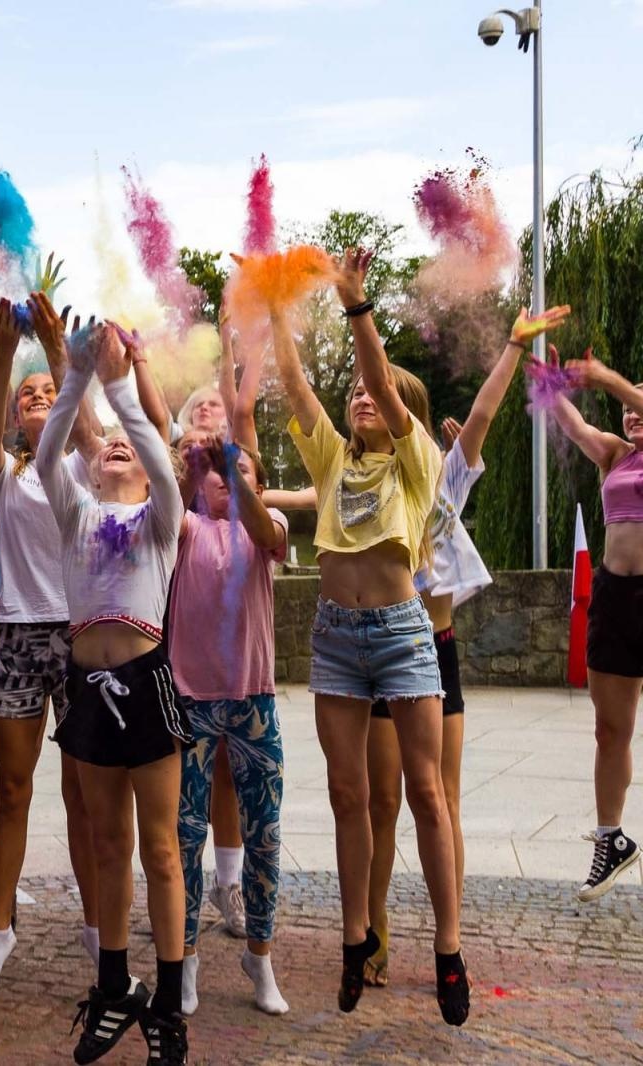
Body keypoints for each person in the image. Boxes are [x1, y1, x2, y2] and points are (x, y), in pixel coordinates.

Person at [271, 247, 467, 1025]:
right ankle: (357, 940)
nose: (360, 397)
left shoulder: (416, 463)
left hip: (402, 635)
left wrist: (356, 309)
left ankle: (448, 951)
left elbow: (383, 379)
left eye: (370, 393)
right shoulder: (331, 462)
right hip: (336, 638)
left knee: (425, 792)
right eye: (350, 393)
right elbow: (293, 384)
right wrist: (275, 307)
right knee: (348, 794)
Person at [364, 306, 568, 982]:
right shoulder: (367, 480)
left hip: (436, 649)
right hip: (379, 650)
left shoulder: (442, 473)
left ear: (412, 414)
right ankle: (374, 926)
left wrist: (510, 346)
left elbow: (480, 416)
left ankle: (447, 941)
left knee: (439, 799)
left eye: (392, 399)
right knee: (381, 803)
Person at [32, 307, 188, 1066]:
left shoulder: (162, 518)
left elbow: (159, 459)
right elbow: (45, 455)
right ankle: (114, 984)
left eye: (129, 445)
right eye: (108, 450)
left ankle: (166, 999)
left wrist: (121, 387)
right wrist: (74, 374)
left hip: (146, 681)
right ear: (91, 470)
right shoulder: (75, 512)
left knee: (160, 851)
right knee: (105, 844)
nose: (119, 450)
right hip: (89, 688)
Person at [0, 296, 106, 1003]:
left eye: (48, 395)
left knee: (85, 794)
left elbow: (88, 430)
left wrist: (60, 352)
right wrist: (1, 360)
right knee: (16, 790)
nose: (40, 400)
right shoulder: (6, 475)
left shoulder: (83, 469)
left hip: (83, 632)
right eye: (31, 397)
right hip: (20, 632)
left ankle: (95, 928)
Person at [169, 436, 290, 1018]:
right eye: (214, 471)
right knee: (183, 837)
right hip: (190, 704)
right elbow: (162, 501)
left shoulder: (267, 525)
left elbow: (267, 533)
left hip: (253, 703)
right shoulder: (186, 530)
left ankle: (260, 956)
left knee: (264, 834)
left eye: (239, 470)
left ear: (256, 483)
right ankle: (185, 957)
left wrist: (231, 465)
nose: (224, 478)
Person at [545, 346, 643, 901]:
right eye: (630, 411)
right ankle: (612, 840)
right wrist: (550, 383)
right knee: (611, 729)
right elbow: (575, 424)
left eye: (638, 407)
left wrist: (608, 377)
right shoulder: (615, 456)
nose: (632, 416)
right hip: (614, 595)